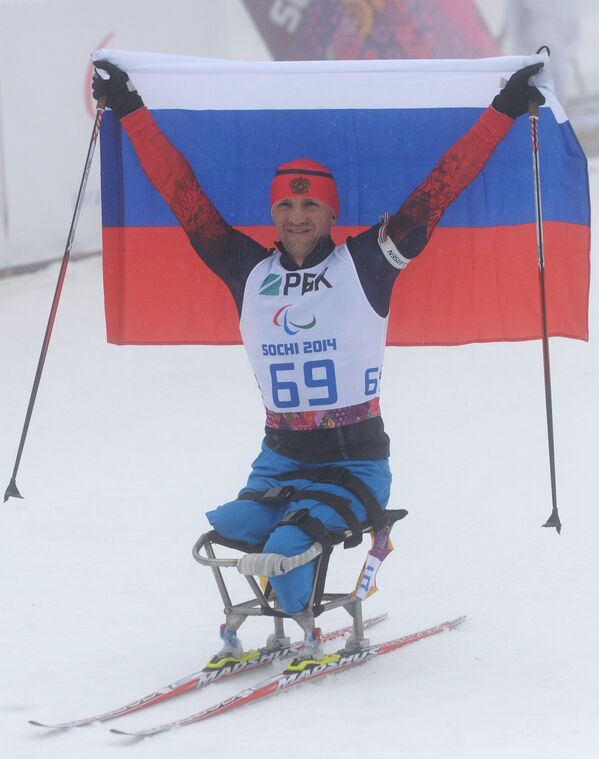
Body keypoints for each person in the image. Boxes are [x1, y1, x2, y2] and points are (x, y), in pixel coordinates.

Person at [93, 60, 544, 660]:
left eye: (309, 207)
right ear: (273, 213)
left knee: (283, 550)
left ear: (331, 213)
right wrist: (128, 108)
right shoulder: (247, 270)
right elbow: (183, 195)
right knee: (229, 532)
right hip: (278, 460)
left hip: (355, 462)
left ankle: (305, 626)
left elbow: (440, 187)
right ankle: (278, 614)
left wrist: (504, 110)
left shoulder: (367, 263)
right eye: (284, 206)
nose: (297, 216)